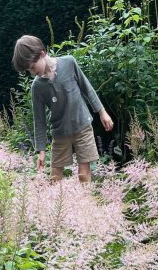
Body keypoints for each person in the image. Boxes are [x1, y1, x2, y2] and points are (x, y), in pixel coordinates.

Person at [12, 34, 114, 183]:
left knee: (83, 175)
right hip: (60, 133)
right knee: (55, 177)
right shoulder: (37, 86)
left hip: (82, 126)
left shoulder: (69, 63)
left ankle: (85, 205)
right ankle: (58, 206)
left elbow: (87, 89)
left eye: (32, 67)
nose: (32, 72)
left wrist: (102, 112)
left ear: (42, 54)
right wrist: (41, 151)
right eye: (28, 70)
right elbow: (39, 120)